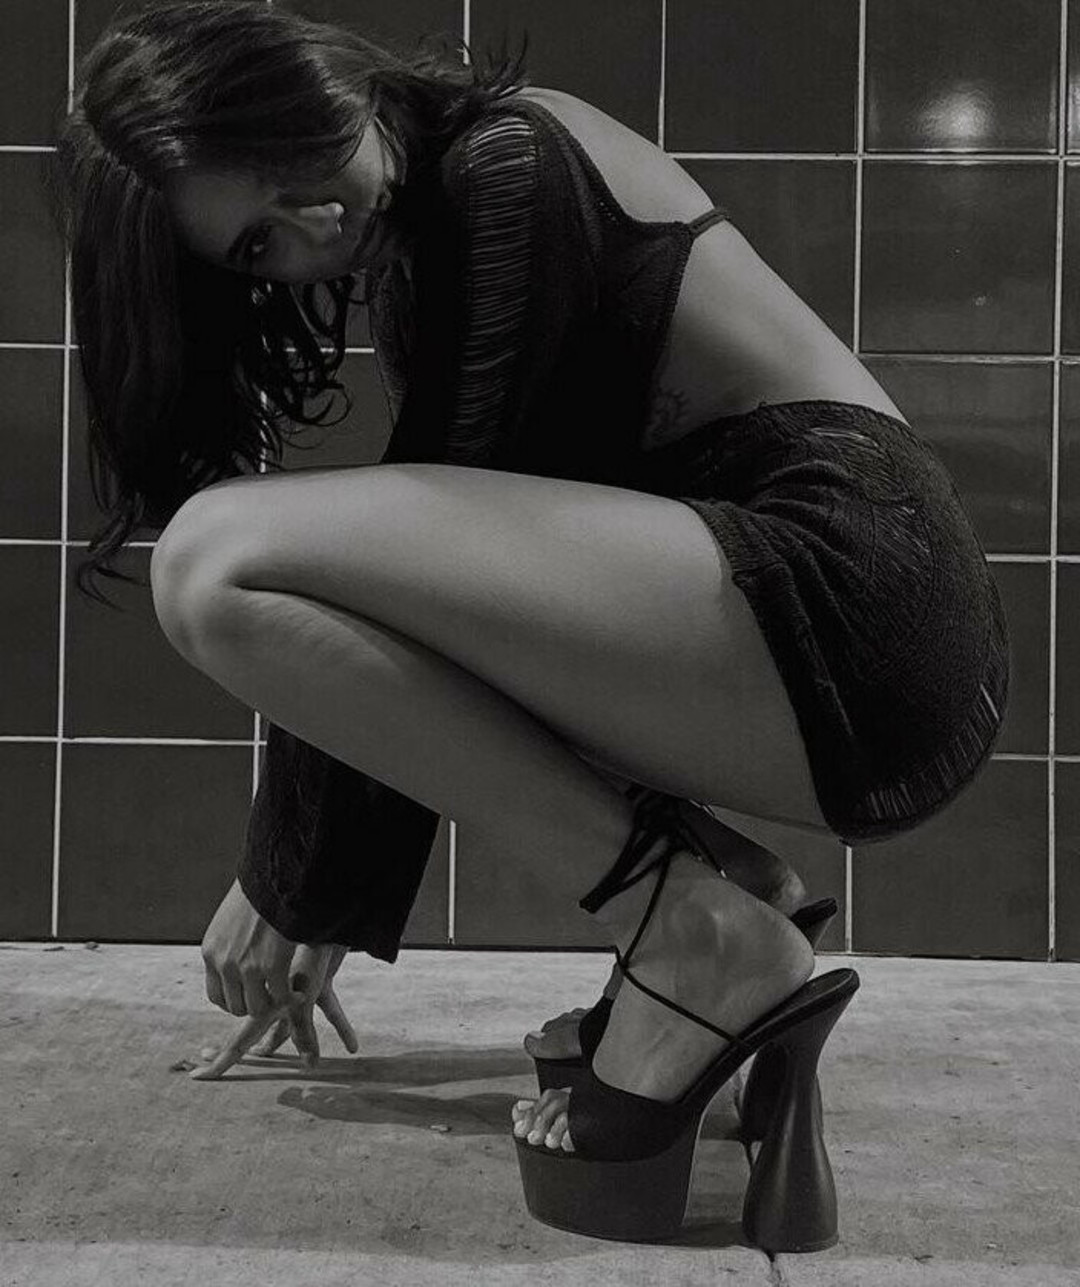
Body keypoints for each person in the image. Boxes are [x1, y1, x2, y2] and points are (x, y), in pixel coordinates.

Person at [46, 0, 1009, 1249]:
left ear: (309, 81)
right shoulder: (437, 222)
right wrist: (307, 877)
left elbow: (438, 514)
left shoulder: (508, 164)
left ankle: (689, 931)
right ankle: (718, 898)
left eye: (292, 164)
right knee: (250, 564)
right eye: (259, 245)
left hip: (856, 596)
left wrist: (293, 882)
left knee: (214, 565)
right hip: (824, 641)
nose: (316, 224)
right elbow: (448, 607)